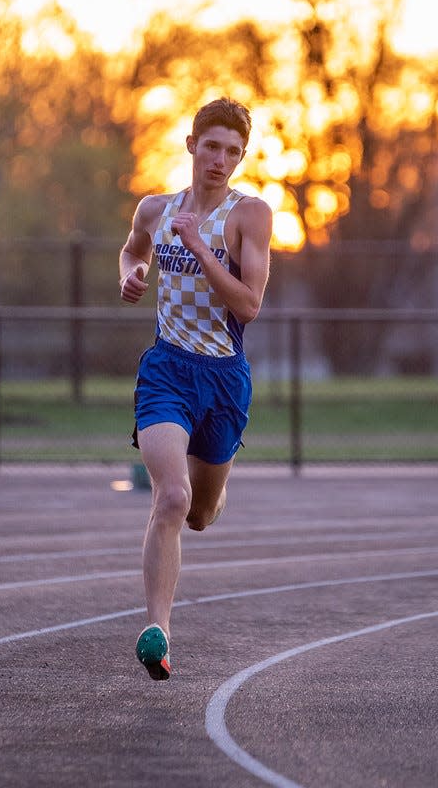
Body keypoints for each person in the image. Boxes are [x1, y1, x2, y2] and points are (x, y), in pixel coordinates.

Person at [119, 97, 272, 681]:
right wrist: (130, 274)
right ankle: (157, 629)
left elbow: (250, 305)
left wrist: (199, 246)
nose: (220, 159)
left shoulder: (249, 215)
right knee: (172, 499)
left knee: (202, 513)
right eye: (211, 146)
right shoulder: (154, 209)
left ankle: (216, 492)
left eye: (233, 151)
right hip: (167, 370)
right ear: (190, 144)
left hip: (224, 379)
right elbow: (133, 251)